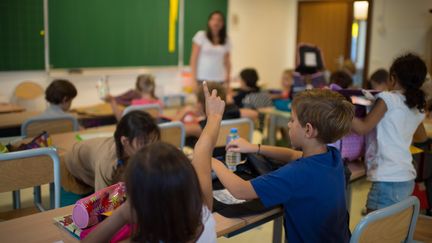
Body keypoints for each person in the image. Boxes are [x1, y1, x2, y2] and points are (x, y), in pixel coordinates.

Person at [83, 82, 225, 243]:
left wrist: (122, 214)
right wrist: (214, 117)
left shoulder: (147, 237)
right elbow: (203, 149)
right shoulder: (203, 212)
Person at [213, 89, 354, 242]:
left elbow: (241, 191)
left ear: (308, 130)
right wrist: (255, 147)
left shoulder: (296, 173)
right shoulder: (332, 156)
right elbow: (292, 155)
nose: (288, 124)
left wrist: (213, 161)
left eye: (292, 120)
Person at [351, 53, 427, 212]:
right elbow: (421, 137)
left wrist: (341, 110)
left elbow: (363, 127)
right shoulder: (417, 106)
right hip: (406, 178)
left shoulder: (388, 98)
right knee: (392, 229)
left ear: (392, 78)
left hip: (388, 179)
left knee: (376, 234)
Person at [63, 110, 160, 196]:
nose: (150, 149)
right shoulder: (108, 162)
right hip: (75, 169)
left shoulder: (134, 149)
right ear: (125, 141)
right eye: (143, 143)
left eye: (153, 141)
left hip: (94, 157)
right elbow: (101, 202)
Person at [174, 81, 240, 139]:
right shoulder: (234, 114)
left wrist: (185, 111)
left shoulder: (201, 128)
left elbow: (171, 132)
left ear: (199, 104)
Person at [190, 11, 231, 87]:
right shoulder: (201, 36)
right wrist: (193, 80)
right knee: (203, 99)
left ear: (222, 24)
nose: (216, 22)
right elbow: (193, 59)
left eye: (219, 20)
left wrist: (228, 80)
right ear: (209, 22)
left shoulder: (226, 39)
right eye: (213, 19)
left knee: (219, 99)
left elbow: (227, 62)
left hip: (220, 80)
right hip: (202, 79)